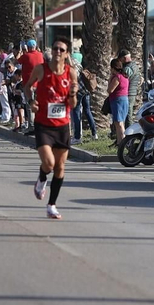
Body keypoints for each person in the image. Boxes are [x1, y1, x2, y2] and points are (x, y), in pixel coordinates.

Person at [24, 38, 78, 219]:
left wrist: (73, 94)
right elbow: (27, 87)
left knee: (60, 167)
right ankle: (41, 178)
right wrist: (31, 101)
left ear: (67, 54)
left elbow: (73, 104)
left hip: (62, 126)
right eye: (55, 48)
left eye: (62, 50)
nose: (58, 52)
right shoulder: (41, 69)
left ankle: (52, 205)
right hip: (43, 125)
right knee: (49, 163)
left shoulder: (71, 73)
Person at [72, 62, 99, 142]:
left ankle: (77, 137)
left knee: (76, 113)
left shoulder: (72, 68)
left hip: (79, 92)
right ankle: (94, 133)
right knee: (88, 111)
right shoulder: (78, 64)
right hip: (86, 91)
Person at [107, 57, 131, 144]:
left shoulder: (117, 77)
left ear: (113, 68)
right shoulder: (125, 76)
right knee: (118, 123)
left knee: (119, 123)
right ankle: (119, 142)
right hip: (124, 99)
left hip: (118, 101)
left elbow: (110, 90)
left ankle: (123, 143)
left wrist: (110, 79)